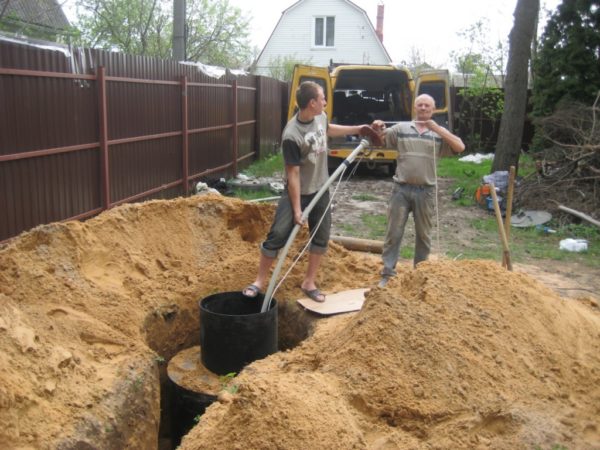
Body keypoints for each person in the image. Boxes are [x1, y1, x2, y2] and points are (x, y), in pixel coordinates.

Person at [243, 81, 377, 302]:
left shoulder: (320, 117)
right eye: (322, 98)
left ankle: (309, 282)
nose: (325, 101)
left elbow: (329, 129)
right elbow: (293, 174)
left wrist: (359, 128)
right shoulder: (291, 135)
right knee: (278, 234)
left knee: (321, 236)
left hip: (321, 188)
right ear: (312, 103)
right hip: (297, 192)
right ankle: (260, 281)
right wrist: (297, 210)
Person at [373, 94, 465, 288]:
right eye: (420, 105)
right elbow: (379, 140)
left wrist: (437, 128)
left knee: (424, 236)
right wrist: (378, 127)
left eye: (427, 106)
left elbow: (460, 146)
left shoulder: (438, 133)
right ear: (415, 108)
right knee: (394, 233)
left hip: (426, 191)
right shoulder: (401, 128)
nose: (423, 108)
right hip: (401, 190)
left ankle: (419, 275)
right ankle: (387, 274)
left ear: (433, 109)